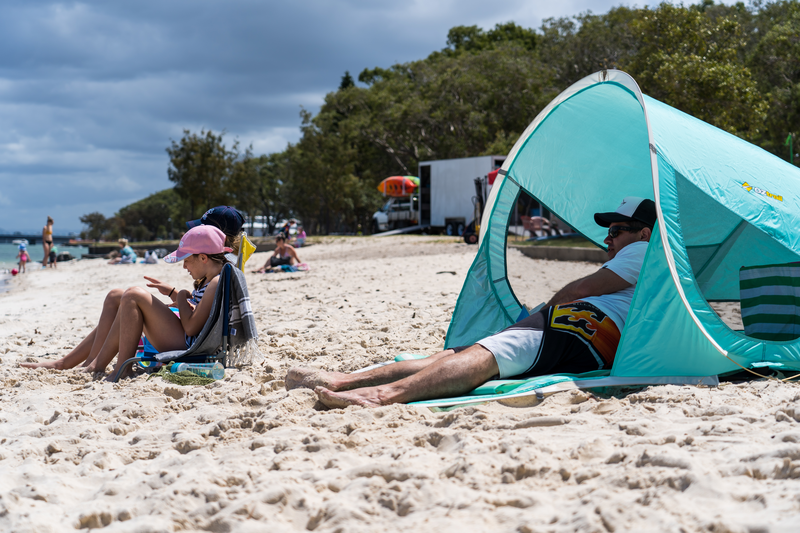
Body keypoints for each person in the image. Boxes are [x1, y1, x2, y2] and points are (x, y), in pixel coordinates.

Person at [286, 197, 656, 408]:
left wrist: (542, 312)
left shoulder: (643, 251)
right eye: (608, 230)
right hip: (586, 332)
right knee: (456, 353)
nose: (608, 238)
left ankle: (382, 395)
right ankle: (345, 380)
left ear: (643, 233)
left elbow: (577, 293)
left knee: (485, 356)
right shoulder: (644, 260)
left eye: (617, 230)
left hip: (585, 327)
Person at [20, 225, 233, 379]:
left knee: (133, 295)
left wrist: (182, 296)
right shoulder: (210, 280)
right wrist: (175, 294)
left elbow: (191, 326)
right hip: (183, 334)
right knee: (116, 296)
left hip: (188, 344)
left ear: (203, 258)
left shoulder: (215, 283)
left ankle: (122, 367)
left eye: (187, 260)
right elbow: (197, 312)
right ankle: (83, 362)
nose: (184, 267)